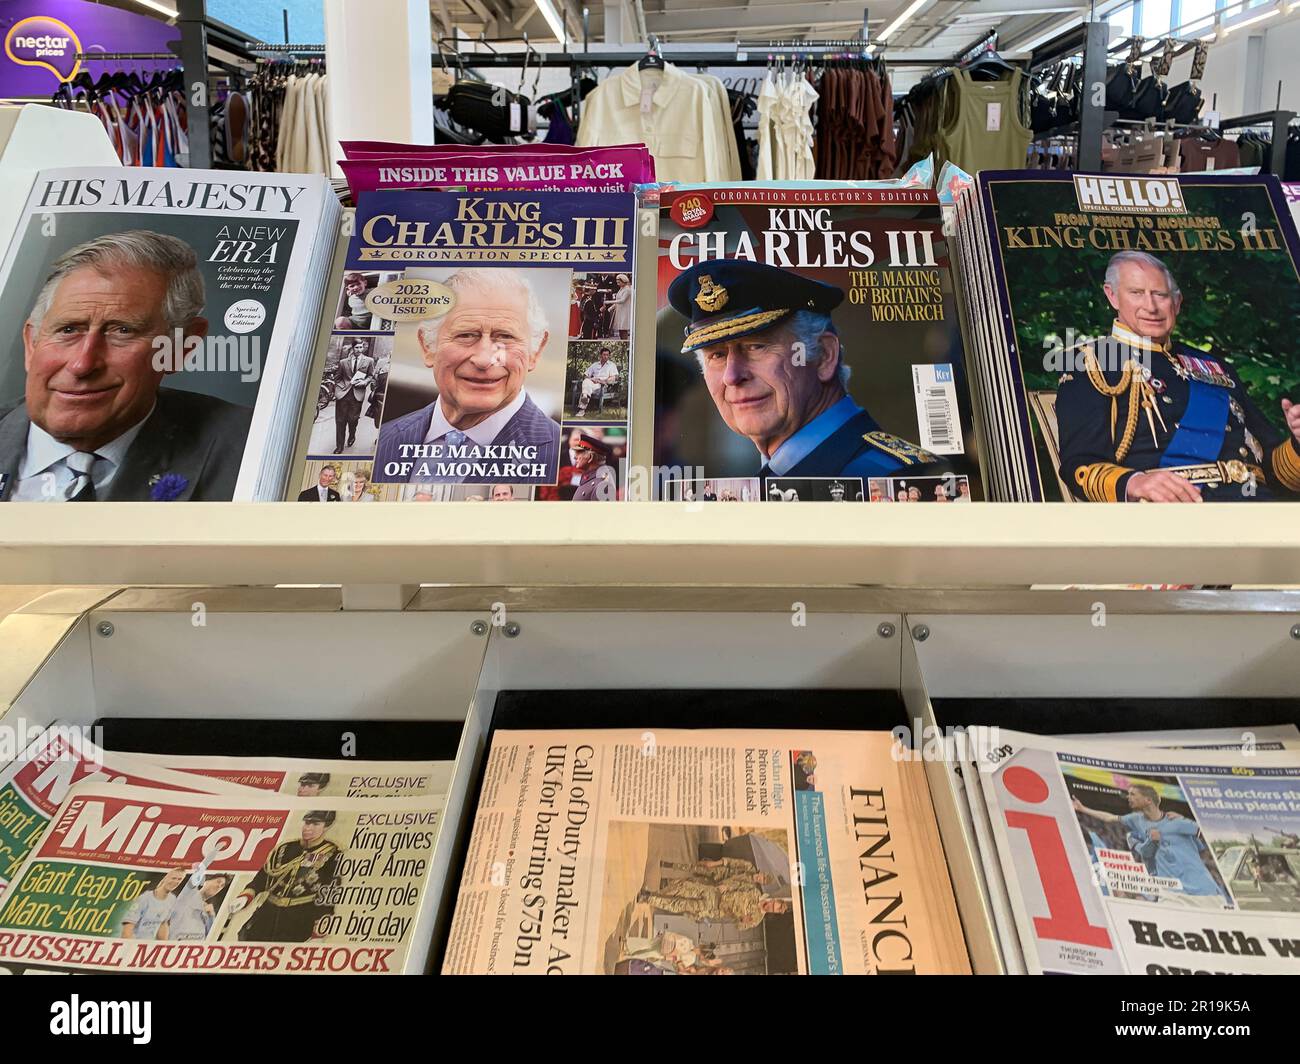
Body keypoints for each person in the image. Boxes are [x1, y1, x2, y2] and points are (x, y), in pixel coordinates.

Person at [0, 230, 252, 502]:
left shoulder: (249, 444)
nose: (82, 364)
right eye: (68, 329)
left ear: (181, 346)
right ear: (32, 343)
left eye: (122, 331)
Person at [668, 258, 944, 481]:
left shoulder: (899, 479)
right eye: (716, 355)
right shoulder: (774, 475)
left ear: (824, 355)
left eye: (756, 347)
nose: (732, 376)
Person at [1056, 250, 1300, 502]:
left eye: (1160, 295)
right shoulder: (1092, 362)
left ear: (1177, 302)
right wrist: (1135, 483)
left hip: (1259, 506)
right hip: (1176, 510)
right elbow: (1080, 465)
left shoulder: (1215, 366)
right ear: (1112, 296)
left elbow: (1277, 474)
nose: (1151, 307)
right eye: (1136, 293)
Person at [372, 268, 560, 484]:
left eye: (505, 336)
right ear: (427, 346)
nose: (484, 359)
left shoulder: (559, 457)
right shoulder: (384, 439)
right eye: (466, 335)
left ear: (536, 351)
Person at [1073, 786, 1229, 907]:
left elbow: (1210, 836)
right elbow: (1110, 818)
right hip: (1171, 894)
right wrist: (1082, 808)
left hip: (1204, 892)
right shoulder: (1136, 819)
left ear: (1148, 800)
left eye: (1133, 794)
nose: (1128, 797)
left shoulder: (1176, 821)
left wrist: (1186, 820)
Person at [231, 811, 342, 942]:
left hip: (298, 920)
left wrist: (318, 933)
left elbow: (328, 894)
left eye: (316, 824)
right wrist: (246, 896)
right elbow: (264, 877)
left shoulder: (332, 854)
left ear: (326, 826)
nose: (308, 828)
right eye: (307, 823)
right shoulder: (285, 848)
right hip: (267, 914)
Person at [332, 339, 376, 454]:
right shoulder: (343, 362)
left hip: (357, 394)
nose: (359, 350)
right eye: (356, 347)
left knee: (353, 419)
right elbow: (337, 378)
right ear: (353, 348)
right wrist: (339, 389)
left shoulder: (369, 361)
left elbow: (371, 376)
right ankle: (339, 446)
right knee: (340, 421)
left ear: (363, 348)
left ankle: (352, 435)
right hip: (343, 395)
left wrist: (364, 382)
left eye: (361, 347)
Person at [159, 874, 229, 941]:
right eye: (218, 881)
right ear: (205, 881)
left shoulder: (209, 912)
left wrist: (212, 916)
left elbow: (212, 936)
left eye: (222, 886)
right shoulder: (188, 895)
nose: (219, 886)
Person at [120, 867, 186, 938]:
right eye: (173, 878)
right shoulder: (145, 898)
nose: (176, 882)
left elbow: (163, 923)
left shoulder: (172, 899)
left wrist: (163, 944)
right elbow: (128, 928)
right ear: (165, 878)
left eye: (179, 879)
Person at [572, 432, 617, 501]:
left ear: (590, 457)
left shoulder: (602, 485)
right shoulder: (593, 477)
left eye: (579, 452)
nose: (575, 457)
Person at [577, 346, 619, 416]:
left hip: (602, 386)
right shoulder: (595, 365)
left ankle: (582, 409)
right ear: (600, 355)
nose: (606, 356)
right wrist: (592, 379)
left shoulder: (611, 365)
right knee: (586, 382)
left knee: (585, 390)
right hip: (592, 383)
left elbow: (615, 377)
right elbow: (585, 375)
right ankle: (583, 407)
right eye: (604, 355)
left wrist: (603, 381)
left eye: (607, 355)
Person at [608, 273, 633, 339]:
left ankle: (624, 341)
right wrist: (611, 307)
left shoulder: (627, 290)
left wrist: (609, 302)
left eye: (619, 282)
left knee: (623, 329)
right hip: (620, 311)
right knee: (620, 329)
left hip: (624, 311)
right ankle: (622, 340)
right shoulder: (621, 289)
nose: (617, 284)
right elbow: (618, 300)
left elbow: (622, 300)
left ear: (623, 281)